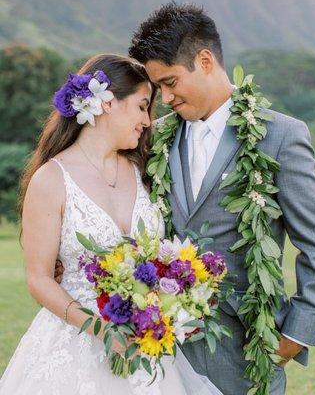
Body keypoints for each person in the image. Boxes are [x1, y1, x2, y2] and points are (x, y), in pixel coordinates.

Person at [127, 1, 315, 395]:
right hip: (160, 353)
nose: (165, 99)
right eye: (157, 88)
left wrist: (298, 333)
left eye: (170, 83)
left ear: (204, 60)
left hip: (245, 354)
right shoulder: (155, 137)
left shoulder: (281, 137)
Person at [0, 53, 222, 395]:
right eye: (142, 106)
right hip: (74, 344)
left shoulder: (145, 171)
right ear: (107, 104)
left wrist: (173, 306)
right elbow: (39, 279)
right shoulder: (51, 179)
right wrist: (102, 330)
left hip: (145, 348)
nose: (148, 121)